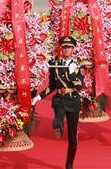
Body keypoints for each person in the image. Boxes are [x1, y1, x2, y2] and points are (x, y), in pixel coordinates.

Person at [33, 36, 86, 169]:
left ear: (73, 49)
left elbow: (79, 86)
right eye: (64, 47)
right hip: (59, 99)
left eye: (69, 47)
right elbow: (51, 86)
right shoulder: (55, 64)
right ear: (61, 49)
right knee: (57, 120)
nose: (66, 49)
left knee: (73, 137)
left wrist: (72, 72)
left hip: (73, 99)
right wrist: (38, 97)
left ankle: (69, 164)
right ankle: (59, 125)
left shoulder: (78, 64)